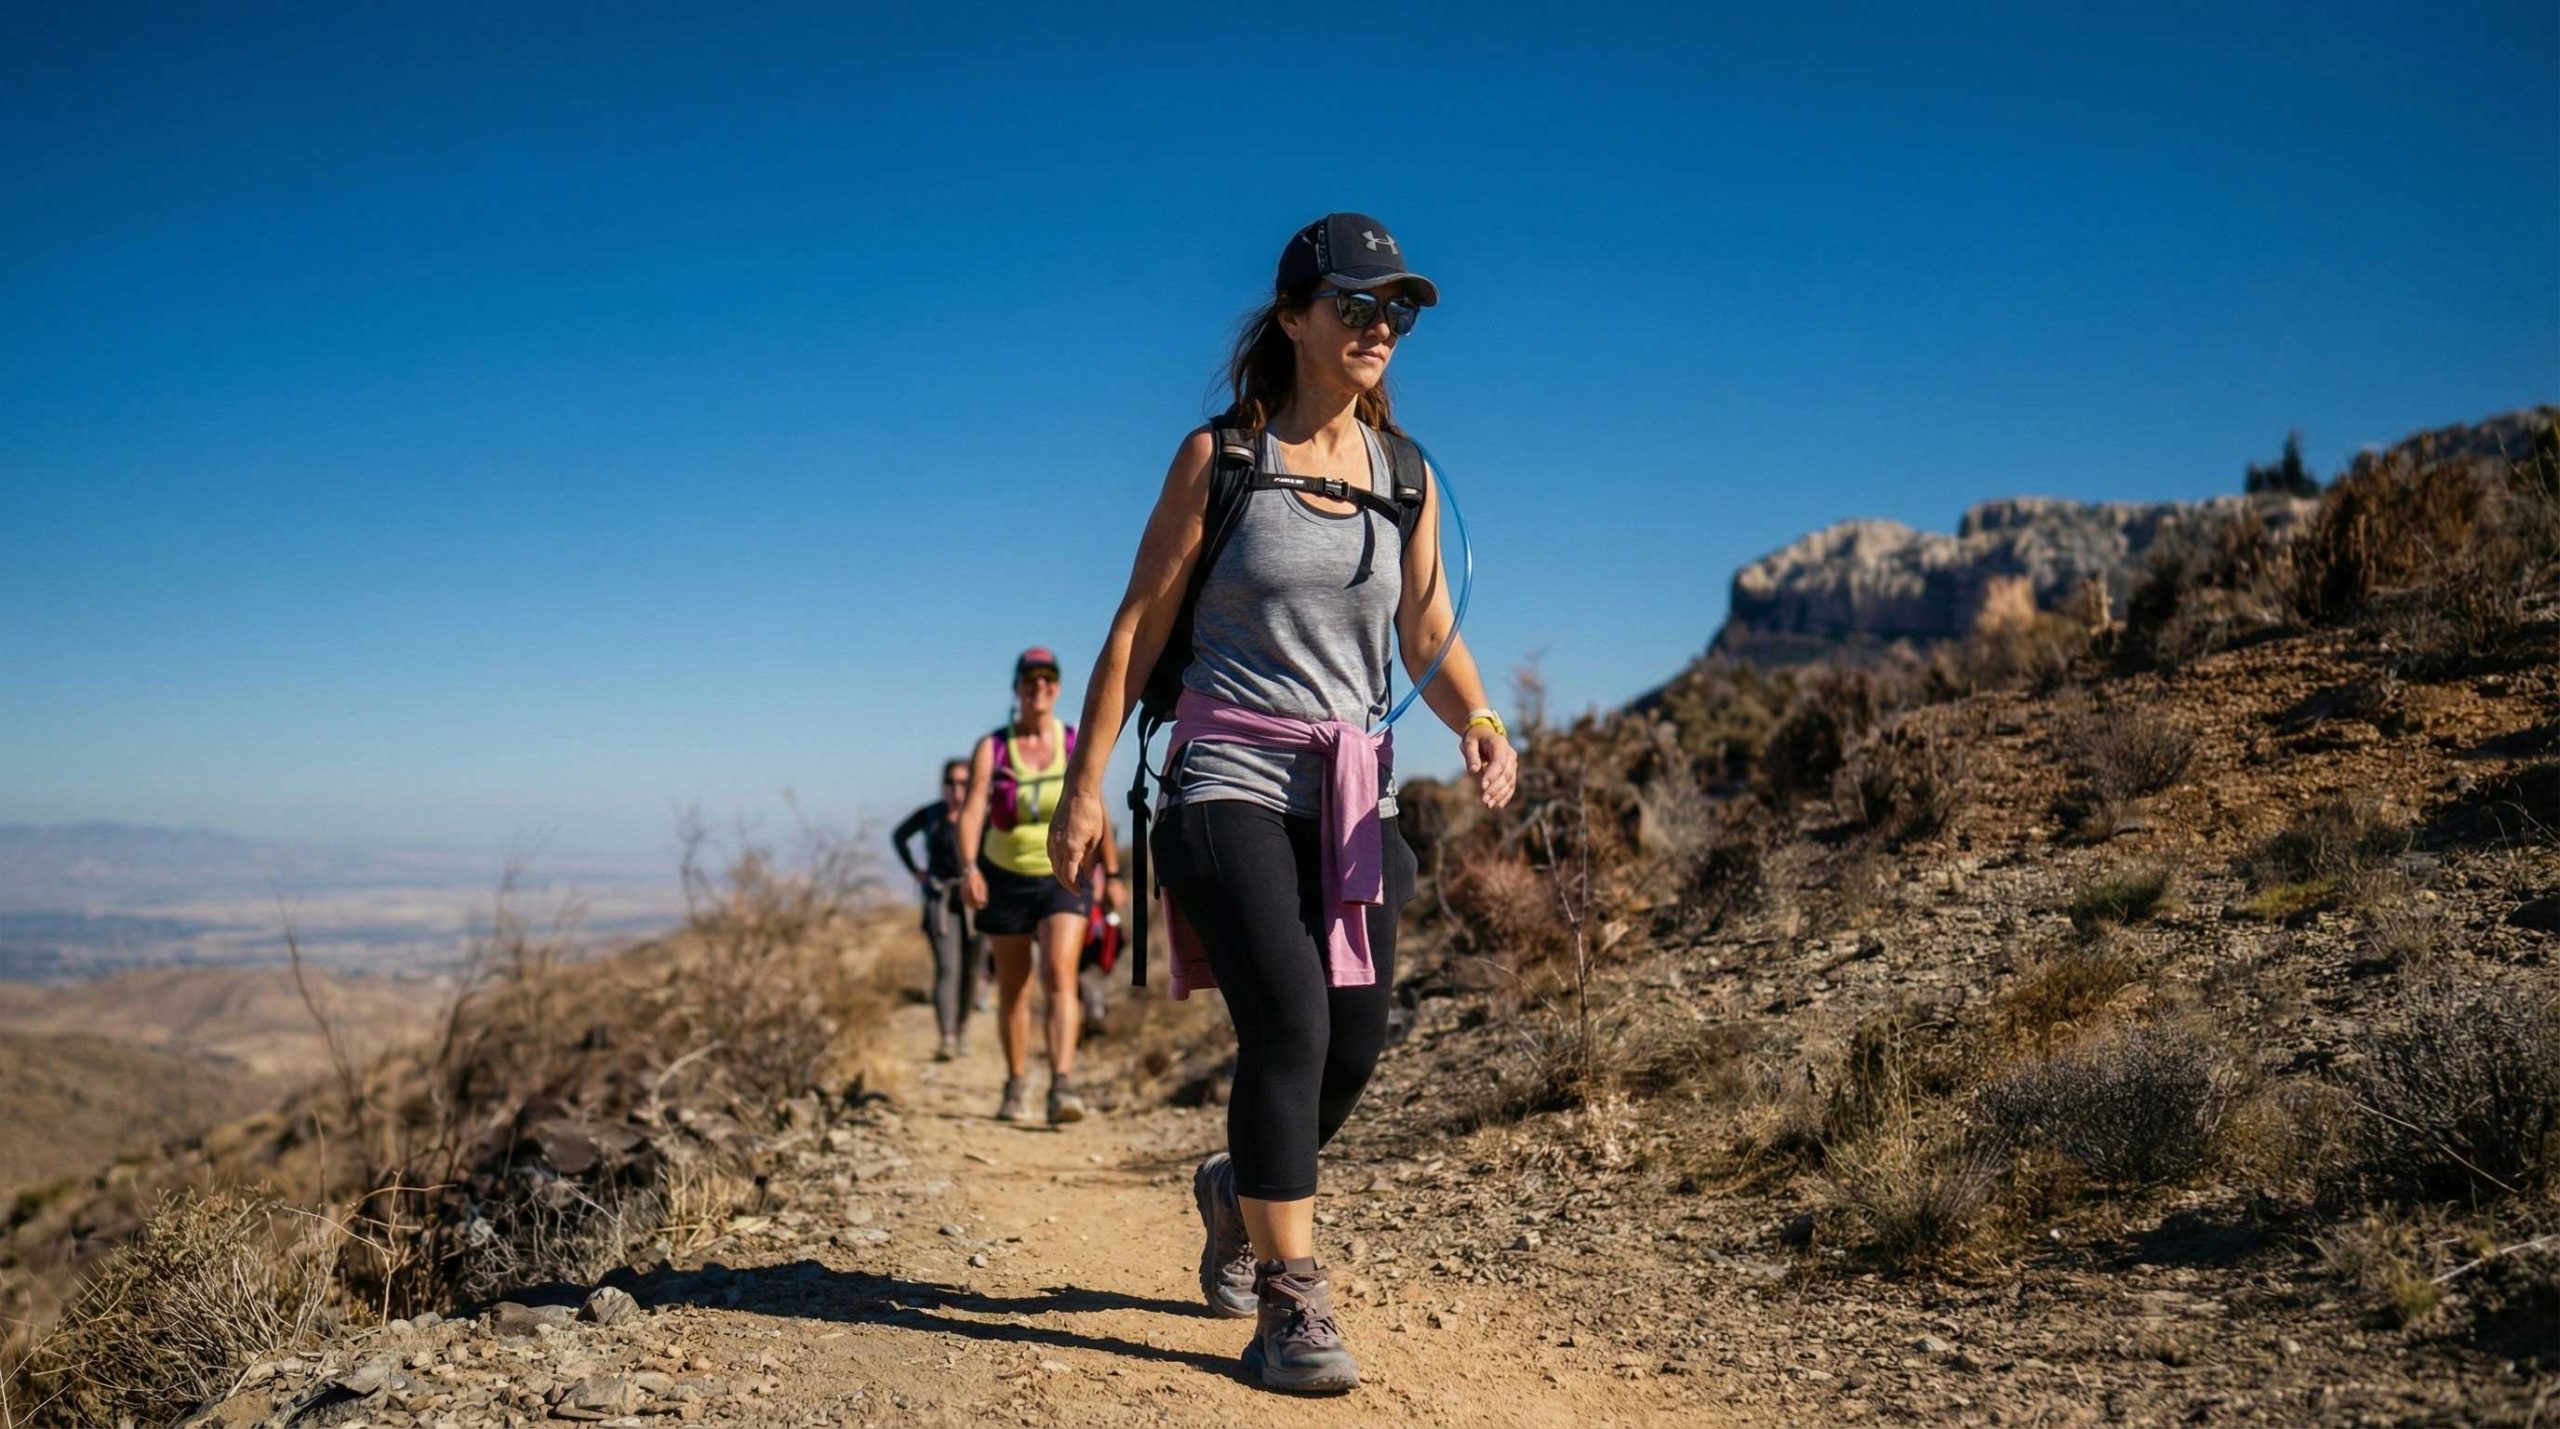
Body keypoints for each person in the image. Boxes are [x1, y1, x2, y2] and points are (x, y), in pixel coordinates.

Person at [1047, 213, 1518, 1394]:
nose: (1379, 328)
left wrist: (1482, 720)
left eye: (1395, 311)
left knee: (1353, 1045)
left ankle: (1231, 1187)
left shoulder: (1401, 475)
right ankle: (1289, 1306)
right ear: (1297, 316)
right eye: (1356, 306)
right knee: (1291, 1026)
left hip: (1353, 792)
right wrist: (1082, 787)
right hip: (1228, 777)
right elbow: (1135, 629)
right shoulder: (1221, 458)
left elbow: (1426, 631)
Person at [956, 647, 1102, 1125]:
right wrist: (969, 868)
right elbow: (974, 808)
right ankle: (1016, 1083)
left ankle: (1062, 1085)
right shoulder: (993, 746)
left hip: (1062, 873)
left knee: (1060, 973)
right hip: (1003, 875)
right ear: (1017, 687)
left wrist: (1110, 874)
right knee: (1013, 987)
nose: (1039, 687)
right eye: (1029, 679)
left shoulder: (1076, 742)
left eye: (1048, 679)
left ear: (1057, 687)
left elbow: (1093, 806)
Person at [890, 758, 985, 1062]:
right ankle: (947, 1037)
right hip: (940, 899)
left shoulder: (983, 815)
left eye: (963, 783)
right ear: (943, 785)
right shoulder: (931, 814)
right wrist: (916, 871)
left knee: (972, 970)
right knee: (948, 968)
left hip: (976, 901)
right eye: (952, 783)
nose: (957, 790)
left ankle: (964, 1029)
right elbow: (899, 836)